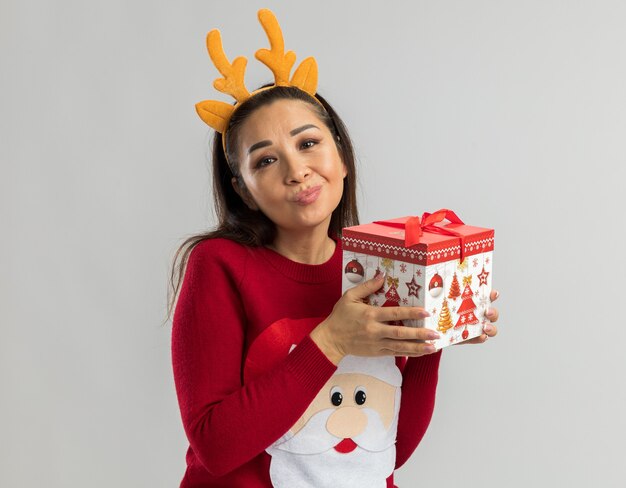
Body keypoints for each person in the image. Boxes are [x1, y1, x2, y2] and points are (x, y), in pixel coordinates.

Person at [168, 9, 500, 488]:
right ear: (243, 190)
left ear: (341, 157)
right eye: (266, 160)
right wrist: (331, 340)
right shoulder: (220, 265)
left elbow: (384, 454)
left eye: (308, 143)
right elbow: (215, 448)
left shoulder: (380, 264)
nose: (297, 171)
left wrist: (432, 337)